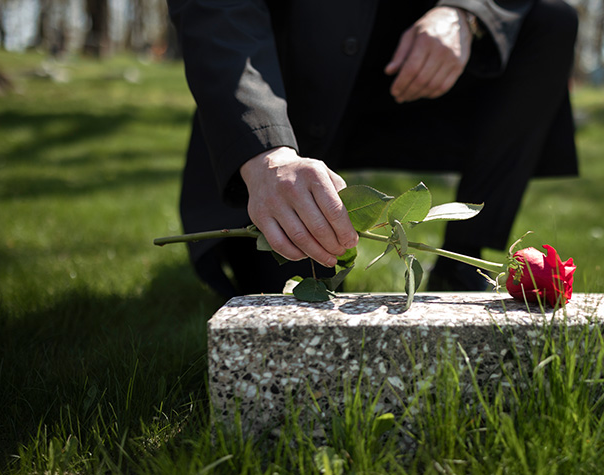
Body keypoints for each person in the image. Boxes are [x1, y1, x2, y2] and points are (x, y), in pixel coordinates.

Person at [168, 0, 579, 298]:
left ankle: (461, 263)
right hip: (291, 98)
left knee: (549, 18)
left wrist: (466, 11)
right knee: (285, 281)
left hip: (412, 85)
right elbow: (219, 11)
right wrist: (265, 151)